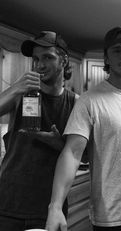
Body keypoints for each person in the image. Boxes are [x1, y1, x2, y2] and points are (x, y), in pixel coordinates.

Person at [46, 26, 121, 231]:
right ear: (106, 58)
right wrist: (55, 206)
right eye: (117, 50)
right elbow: (72, 152)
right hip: (111, 217)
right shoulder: (89, 101)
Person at [0, 31, 78, 230]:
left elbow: (83, 155)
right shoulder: (21, 95)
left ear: (64, 60)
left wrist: (59, 144)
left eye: (47, 57)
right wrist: (15, 88)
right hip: (8, 204)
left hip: (50, 209)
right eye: (35, 59)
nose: (39, 65)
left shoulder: (76, 103)